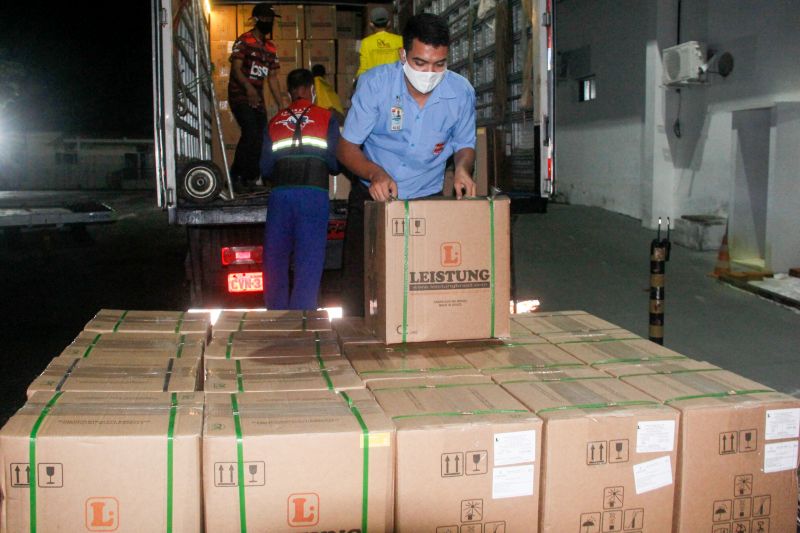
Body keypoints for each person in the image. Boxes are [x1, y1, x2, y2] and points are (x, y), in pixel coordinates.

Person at [337, 13, 477, 316]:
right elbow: (346, 148)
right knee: (361, 293)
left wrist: (462, 168)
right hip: (372, 200)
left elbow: (465, 143)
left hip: (425, 200)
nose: (430, 72)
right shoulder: (374, 85)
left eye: (439, 64)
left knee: (421, 291)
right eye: (420, 63)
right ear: (403, 55)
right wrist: (375, 172)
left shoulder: (460, 92)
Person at [260, 69, 340, 310]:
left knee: (275, 261)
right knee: (309, 260)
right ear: (312, 90)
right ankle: (301, 322)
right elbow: (335, 164)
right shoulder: (327, 118)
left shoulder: (274, 122)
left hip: (280, 197)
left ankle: (275, 319)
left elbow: (265, 168)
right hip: (313, 195)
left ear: (288, 92)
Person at [228, 3, 288, 193]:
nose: (268, 23)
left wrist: (281, 104)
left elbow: (272, 77)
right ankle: (236, 175)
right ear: (255, 20)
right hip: (240, 95)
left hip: (258, 98)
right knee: (250, 132)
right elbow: (236, 70)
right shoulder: (244, 40)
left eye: (271, 20)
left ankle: (250, 179)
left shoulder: (270, 47)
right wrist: (248, 89)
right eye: (265, 19)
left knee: (261, 137)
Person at [355, 7, 403, 78]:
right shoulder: (399, 40)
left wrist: (356, 80)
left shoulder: (365, 42)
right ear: (389, 23)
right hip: (394, 83)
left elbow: (363, 68)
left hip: (374, 84)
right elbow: (404, 63)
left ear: (371, 24)